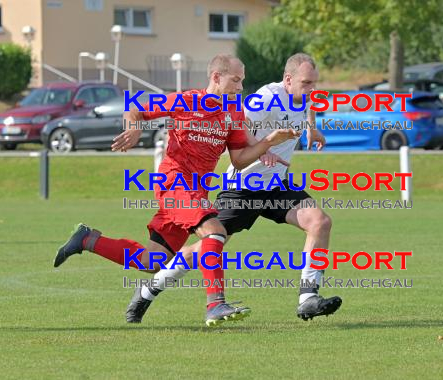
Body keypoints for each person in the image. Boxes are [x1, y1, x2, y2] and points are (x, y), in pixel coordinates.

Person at [53, 54, 300, 327]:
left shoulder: (233, 111)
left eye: (242, 81)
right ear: (216, 77)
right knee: (215, 232)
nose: (240, 87)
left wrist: (269, 141)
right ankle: (215, 304)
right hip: (174, 183)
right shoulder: (187, 100)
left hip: (196, 192)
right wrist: (134, 128)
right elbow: (134, 108)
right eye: (235, 80)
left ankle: (88, 240)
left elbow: (239, 159)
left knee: (153, 260)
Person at [141, 53, 342, 322]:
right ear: (288, 79)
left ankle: (308, 298)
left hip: (275, 184)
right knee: (208, 246)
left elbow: (307, 107)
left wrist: (312, 130)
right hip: (243, 186)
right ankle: (150, 289)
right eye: (306, 83)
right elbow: (238, 123)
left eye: (314, 83)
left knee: (320, 222)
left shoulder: (305, 95)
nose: (312, 90)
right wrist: (261, 151)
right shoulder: (266, 97)